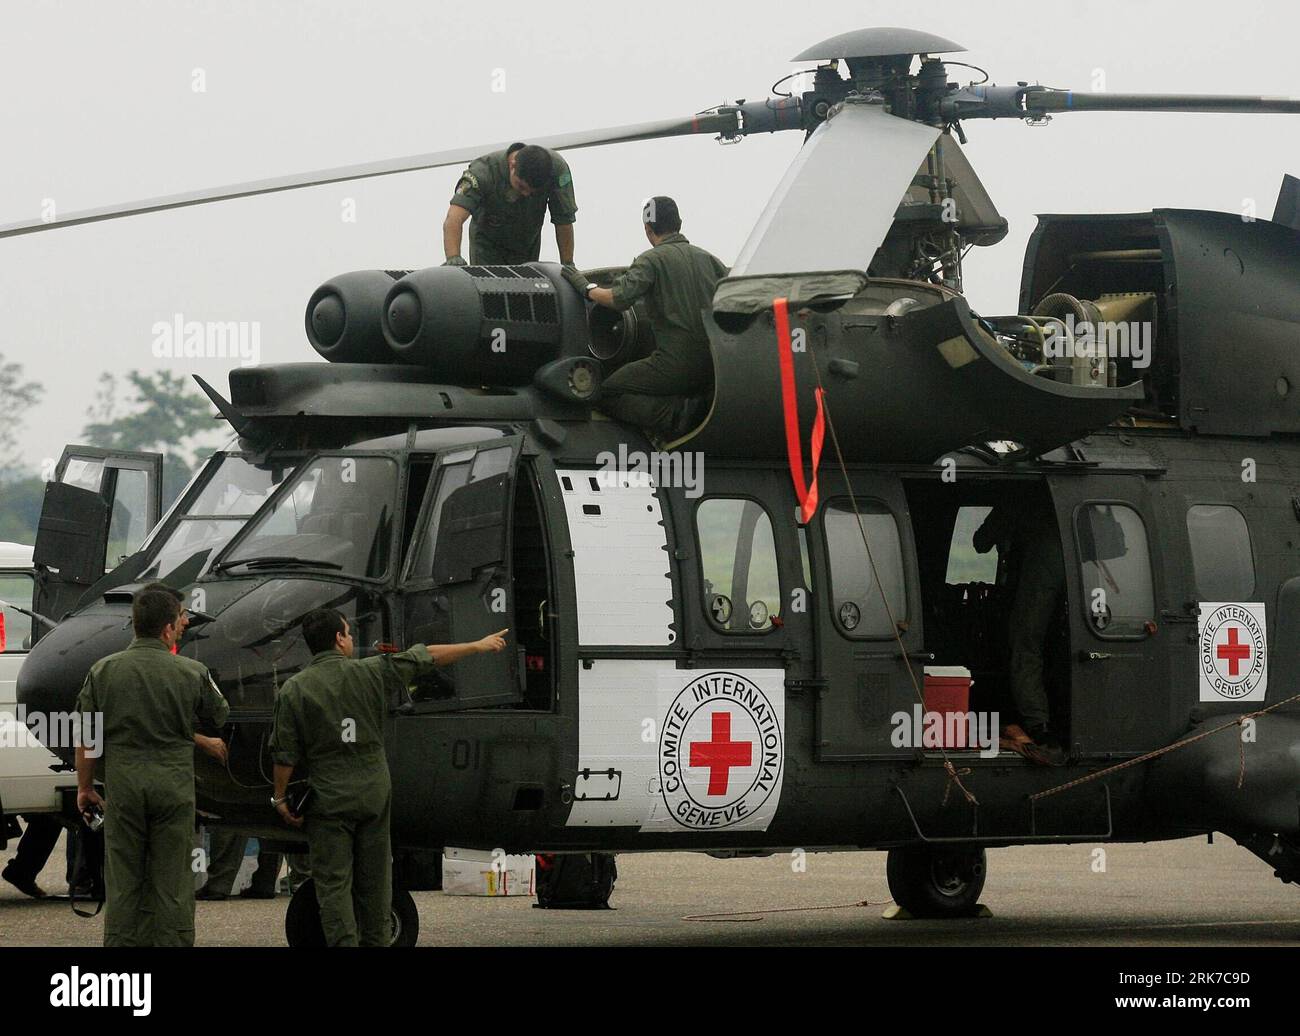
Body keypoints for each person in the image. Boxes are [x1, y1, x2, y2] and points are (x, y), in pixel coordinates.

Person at [269, 610, 508, 947]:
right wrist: (477, 645)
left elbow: (284, 755)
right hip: (372, 794)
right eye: (349, 633)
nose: (351, 639)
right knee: (377, 881)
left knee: (333, 883)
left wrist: (280, 798)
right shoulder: (372, 673)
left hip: (328, 797)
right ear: (339, 639)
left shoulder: (295, 689)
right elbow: (428, 656)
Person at [75, 586, 230, 946]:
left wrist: (85, 789)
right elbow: (219, 714)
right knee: (173, 882)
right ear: (166, 629)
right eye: (180, 620)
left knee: (124, 881)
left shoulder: (102, 671)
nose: (184, 624)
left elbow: (88, 740)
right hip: (174, 789)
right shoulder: (192, 671)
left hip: (125, 789)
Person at [566, 196, 728, 443]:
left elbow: (617, 300)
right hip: (715, 367)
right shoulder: (711, 261)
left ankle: (674, 416)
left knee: (606, 391)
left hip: (674, 365)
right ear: (679, 222)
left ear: (648, 230)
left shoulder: (651, 260)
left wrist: (584, 287)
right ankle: (697, 405)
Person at [973, 502, 1067, 765]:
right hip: (1066, 575)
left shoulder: (1018, 499)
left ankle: (1040, 730)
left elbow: (980, 542)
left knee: (1024, 645)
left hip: (1040, 572)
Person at [442, 142, 577, 266]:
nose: (525, 194)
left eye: (531, 193)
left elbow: (564, 220)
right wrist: (453, 258)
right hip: (487, 247)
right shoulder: (483, 172)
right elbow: (454, 217)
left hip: (526, 245)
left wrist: (568, 265)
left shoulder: (557, 170)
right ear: (512, 165)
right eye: (521, 187)